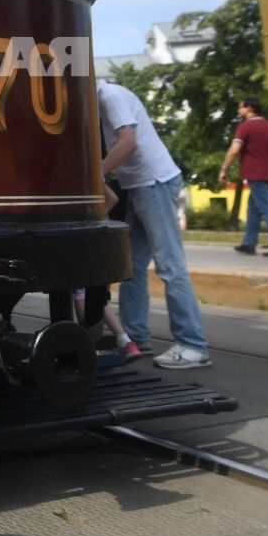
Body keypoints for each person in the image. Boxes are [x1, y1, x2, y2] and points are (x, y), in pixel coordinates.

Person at [98, 79, 212, 369]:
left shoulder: (109, 96)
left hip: (154, 184)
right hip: (140, 186)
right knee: (131, 267)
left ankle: (193, 345)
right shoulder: (105, 98)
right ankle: (136, 336)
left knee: (169, 265)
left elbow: (128, 142)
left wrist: (95, 172)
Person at [220, 96, 268, 258]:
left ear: (249, 109)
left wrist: (224, 169)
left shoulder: (245, 127)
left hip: (255, 172)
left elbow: (234, 150)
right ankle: (249, 244)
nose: (239, 110)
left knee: (267, 208)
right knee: (253, 206)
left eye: (241, 107)